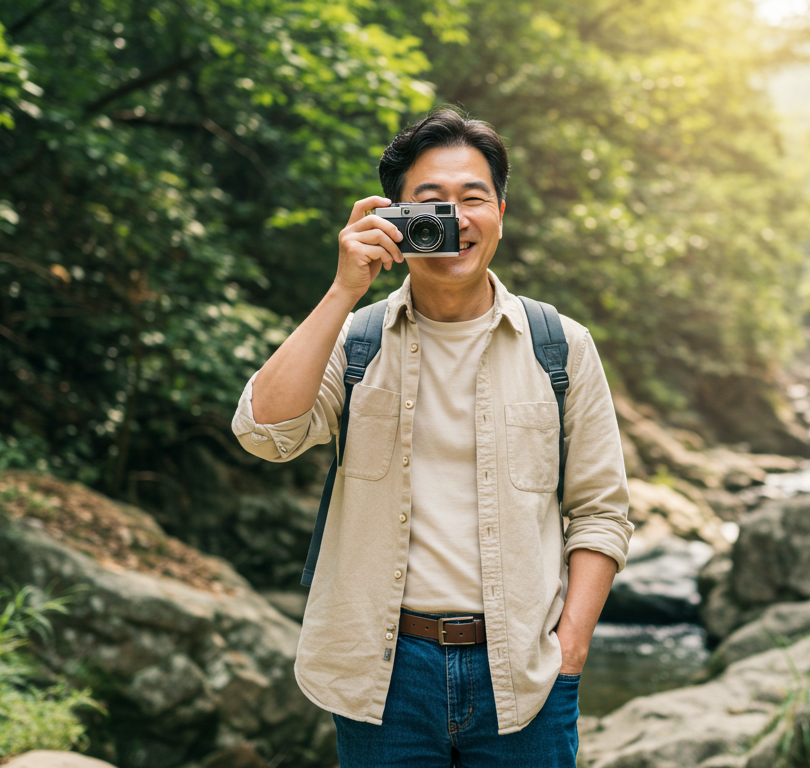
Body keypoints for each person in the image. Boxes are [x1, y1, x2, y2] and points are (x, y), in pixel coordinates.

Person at [230, 107, 632, 766]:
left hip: (525, 670)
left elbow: (600, 511)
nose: (455, 219)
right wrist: (342, 290)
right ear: (392, 216)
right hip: (382, 670)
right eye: (430, 203)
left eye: (473, 198)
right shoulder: (356, 338)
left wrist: (571, 647)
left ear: (501, 210)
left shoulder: (559, 346)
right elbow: (262, 433)